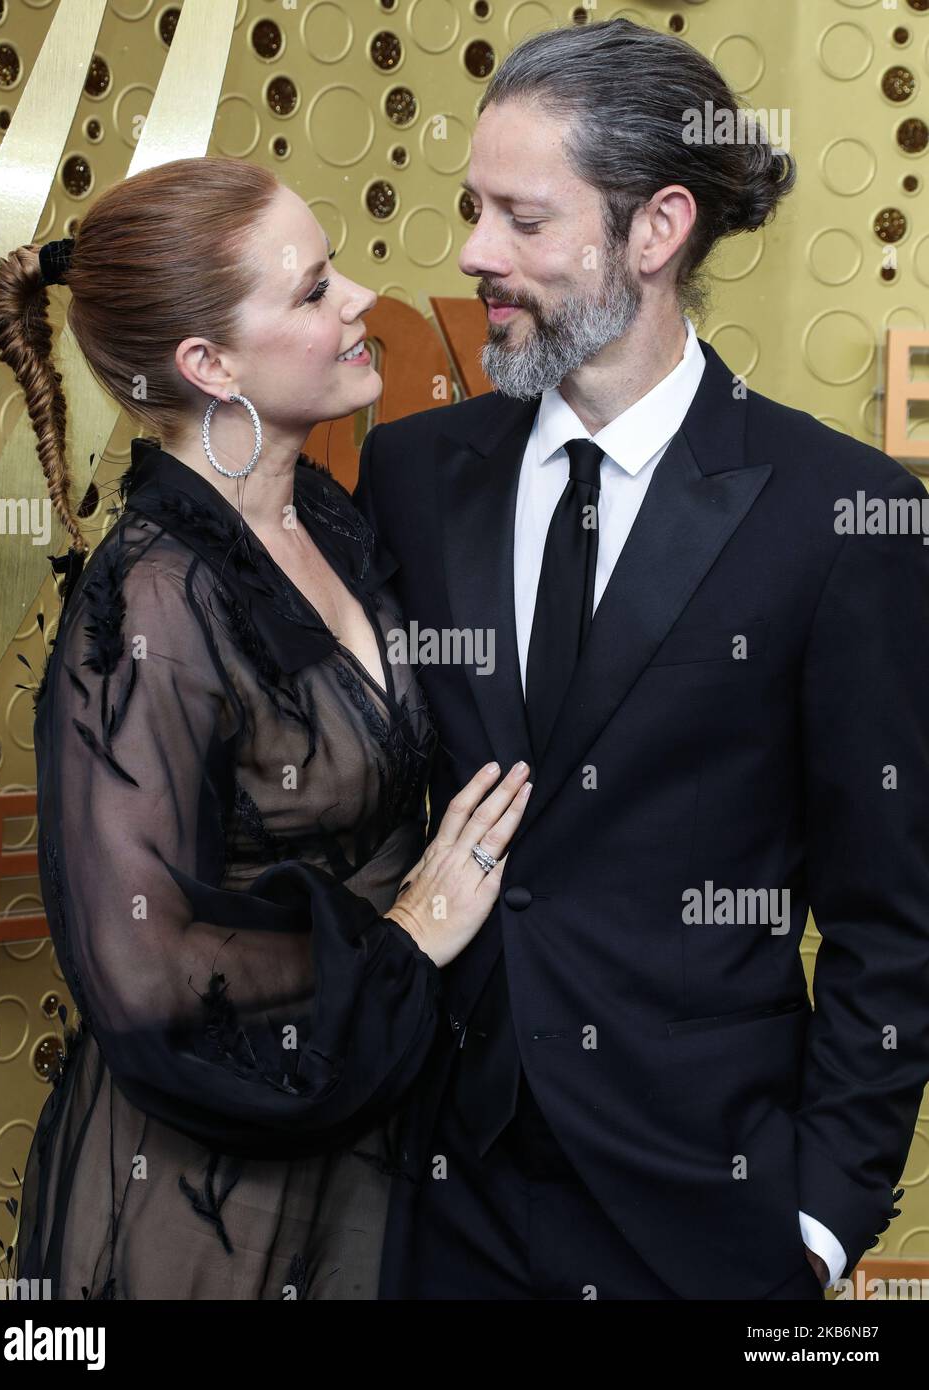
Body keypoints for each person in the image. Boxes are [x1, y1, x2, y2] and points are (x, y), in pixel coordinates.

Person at [355, 17, 929, 1300]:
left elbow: (896, 917)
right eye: (471, 211)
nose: (475, 256)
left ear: (658, 229)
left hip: (704, 1213)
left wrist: (823, 1220)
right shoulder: (413, 472)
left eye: (525, 218)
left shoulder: (837, 516)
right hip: (443, 1195)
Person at [0, 156, 531, 1299]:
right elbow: (146, 968)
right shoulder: (151, 598)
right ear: (209, 364)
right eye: (314, 288)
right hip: (206, 1212)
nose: (359, 302)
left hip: (370, 1150)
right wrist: (410, 937)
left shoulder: (330, 515)